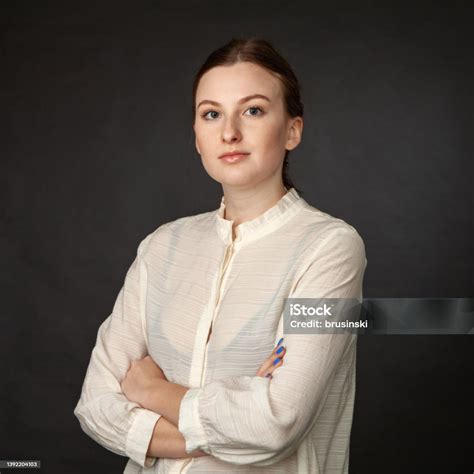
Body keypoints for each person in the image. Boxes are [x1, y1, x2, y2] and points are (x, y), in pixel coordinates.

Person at [74, 37, 367, 473]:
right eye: (211, 114)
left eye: (253, 110)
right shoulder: (161, 247)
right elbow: (95, 405)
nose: (229, 132)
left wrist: (154, 393)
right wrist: (231, 421)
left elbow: (277, 424)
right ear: (196, 137)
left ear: (292, 130)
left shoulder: (332, 249)